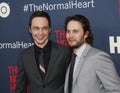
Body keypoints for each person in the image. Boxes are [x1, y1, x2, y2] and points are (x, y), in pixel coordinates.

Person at [15, 11, 71, 93]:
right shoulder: (24, 56)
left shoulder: (64, 52)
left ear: (49, 29)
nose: (40, 33)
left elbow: (71, 85)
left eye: (44, 28)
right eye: (36, 28)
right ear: (30, 29)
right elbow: (20, 89)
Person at [64, 14, 120, 93]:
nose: (70, 35)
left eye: (75, 31)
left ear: (86, 34)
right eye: (68, 31)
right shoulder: (72, 57)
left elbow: (116, 90)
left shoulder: (98, 57)